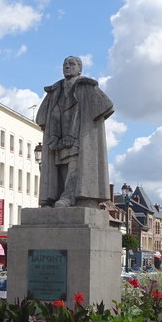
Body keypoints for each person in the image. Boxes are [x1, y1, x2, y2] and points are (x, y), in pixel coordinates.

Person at [36, 56, 114, 208]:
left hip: (79, 135)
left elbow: (106, 106)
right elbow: (44, 117)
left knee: (75, 166)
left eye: (71, 64)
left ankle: (69, 197)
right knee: (61, 167)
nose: (67, 66)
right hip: (58, 138)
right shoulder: (55, 90)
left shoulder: (87, 87)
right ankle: (56, 197)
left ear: (80, 69)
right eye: (64, 64)